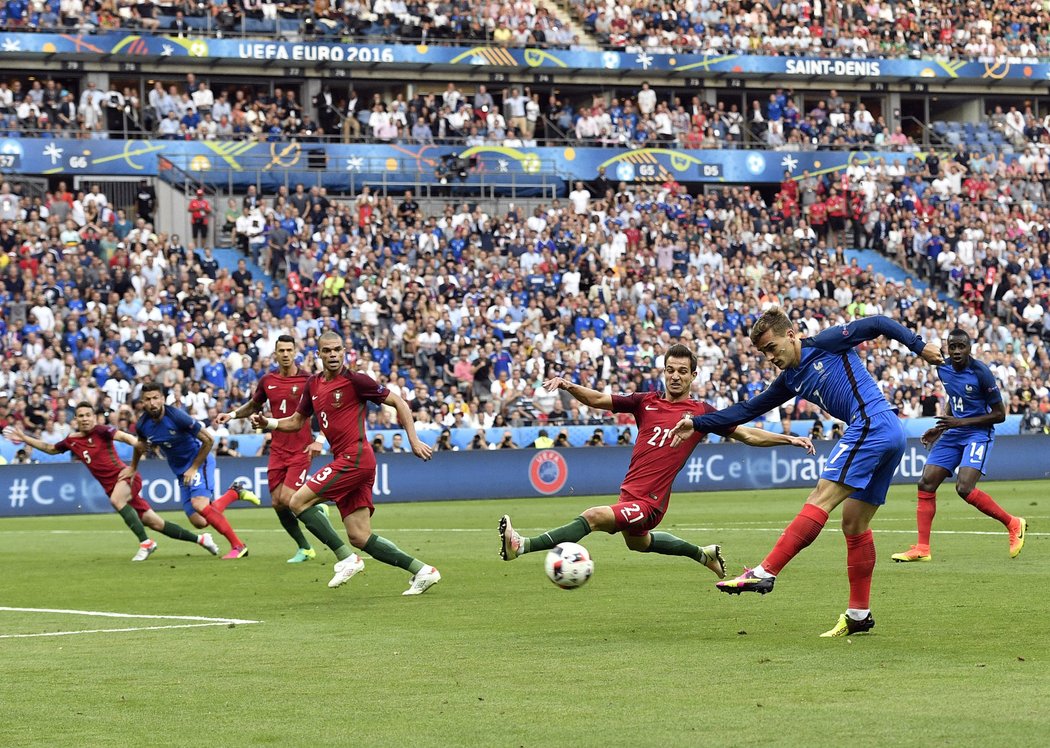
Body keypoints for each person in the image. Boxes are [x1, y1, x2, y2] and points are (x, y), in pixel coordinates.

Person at [671, 310, 942, 637]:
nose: (770, 357)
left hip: (871, 425)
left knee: (820, 498)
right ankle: (859, 613)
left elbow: (877, 323)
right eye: (763, 353)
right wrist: (698, 422)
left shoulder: (826, 342)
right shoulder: (790, 379)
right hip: (888, 433)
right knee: (854, 523)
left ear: (790, 334)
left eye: (772, 347)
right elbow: (747, 410)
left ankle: (766, 570)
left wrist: (919, 345)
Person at [499, 344, 815, 576]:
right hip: (629, 495)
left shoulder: (702, 413)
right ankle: (703, 555)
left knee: (593, 516)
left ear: (693, 375)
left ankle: (521, 546)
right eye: (670, 370)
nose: (675, 376)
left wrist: (788, 438)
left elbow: (747, 435)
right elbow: (598, 399)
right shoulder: (644, 402)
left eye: (682, 371)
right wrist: (569, 385)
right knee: (638, 544)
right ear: (663, 371)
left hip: (650, 504)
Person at [252, 331, 441, 595]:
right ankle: (423, 571)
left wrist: (413, 439)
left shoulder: (356, 381)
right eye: (327, 350)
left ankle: (346, 558)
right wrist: (268, 423)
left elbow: (397, 401)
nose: (332, 355)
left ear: (344, 352)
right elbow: (296, 421)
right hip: (348, 460)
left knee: (296, 501)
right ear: (318, 354)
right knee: (360, 536)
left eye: (337, 350)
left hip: (356, 458)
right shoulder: (314, 384)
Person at [4, 404, 220, 561]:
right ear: (76, 419)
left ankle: (146, 543)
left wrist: (138, 443)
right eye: (81, 416)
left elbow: (125, 437)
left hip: (125, 478)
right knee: (154, 523)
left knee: (117, 501)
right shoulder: (72, 440)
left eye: (89, 415)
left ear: (94, 417)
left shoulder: (102, 431)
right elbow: (50, 449)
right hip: (112, 487)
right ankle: (202, 540)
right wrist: (25, 438)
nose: (86, 419)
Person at [892, 329, 1025, 562]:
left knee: (964, 488)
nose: (956, 351)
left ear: (969, 347)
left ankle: (1013, 523)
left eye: (960, 346)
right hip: (954, 431)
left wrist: (959, 422)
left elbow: (999, 415)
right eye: (952, 346)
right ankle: (922, 548)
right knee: (926, 482)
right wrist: (941, 428)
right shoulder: (942, 368)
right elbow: (955, 400)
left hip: (977, 433)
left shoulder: (981, 372)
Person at [215, 334, 330, 563]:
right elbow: (254, 405)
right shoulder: (268, 380)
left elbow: (326, 411)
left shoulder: (310, 379)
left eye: (289, 350)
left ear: (295, 351)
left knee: (289, 498)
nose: (286, 354)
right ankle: (305, 548)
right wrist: (232, 414)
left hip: (301, 448)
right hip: (277, 449)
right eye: (282, 351)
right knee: (277, 503)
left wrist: (321, 439)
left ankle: (317, 506)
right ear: (275, 353)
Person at [122, 383, 258, 559]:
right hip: (181, 471)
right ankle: (234, 493)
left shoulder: (177, 417)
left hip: (198, 462)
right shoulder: (142, 425)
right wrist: (133, 467)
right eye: (148, 399)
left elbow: (209, 440)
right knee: (200, 522)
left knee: (200, 504)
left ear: (163, 399)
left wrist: (194, 468)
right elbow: (140, 446)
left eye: (156, 398)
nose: (152, 403)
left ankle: (238, 546)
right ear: (142, 402)